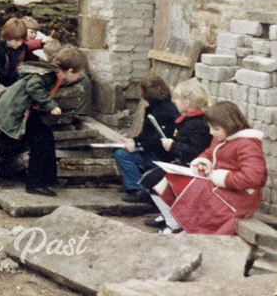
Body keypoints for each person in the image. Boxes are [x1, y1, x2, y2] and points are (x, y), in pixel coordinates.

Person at [152, 101, 267, 235]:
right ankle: (177, 224)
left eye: (216, 129)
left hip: (241, 196)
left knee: (195, 188)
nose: (212, 132)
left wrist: (220, 177)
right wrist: (203, 160)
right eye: (210, 128)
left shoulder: (247, 144)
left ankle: (188, 228)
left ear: (230, 124)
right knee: (172, 179)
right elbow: (209, 152)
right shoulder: (222, 137)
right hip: (223, 187)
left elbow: (252, 178)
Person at [0, 46, 88, 196]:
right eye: (79, 73)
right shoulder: (49, 74)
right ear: (71, 70)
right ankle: (35, 184)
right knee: (40, 140)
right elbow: (33, 87)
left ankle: (48, 179)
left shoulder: (54, 72)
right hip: (15, 110)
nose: (80, 76)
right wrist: (51, 105)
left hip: (24, 110)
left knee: (46, 136)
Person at [138, 78, 213, 219]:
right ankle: (167, 214)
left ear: (187, 103)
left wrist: (173, 146)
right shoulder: (189, 121)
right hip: (183, 163)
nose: (174, 103)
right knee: (151, 179)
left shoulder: (196, 124)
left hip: (192, 167)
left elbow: (196, 150)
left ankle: (172, 219)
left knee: (153, 180)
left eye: (177, 100)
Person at [112, 74, 179, 200]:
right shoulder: (160, 107)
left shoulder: (161, 112)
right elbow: (148, 134)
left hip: (161, 157)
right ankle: (131, 183)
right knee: (121, 150)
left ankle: (138, 188)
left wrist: (137, 146)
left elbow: (156, 141)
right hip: (156, 151)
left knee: (122, 154)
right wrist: (134, 140)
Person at [0, 17, 36, 87]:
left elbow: (31, 61)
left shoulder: (23, 48)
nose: (19, 43)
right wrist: (16, 73)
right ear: (7, 37)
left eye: (22, 40)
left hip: (18, 80)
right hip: (0, 83)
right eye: (16, 40)